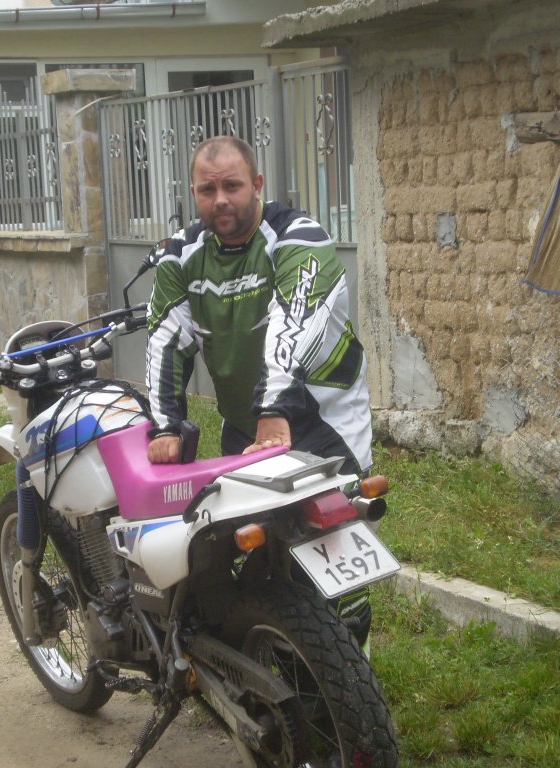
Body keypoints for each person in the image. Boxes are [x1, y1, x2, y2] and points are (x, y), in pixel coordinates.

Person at [143, 136, 374, 646]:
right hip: (246, 426)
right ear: (193, 193)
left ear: (258, 184)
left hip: (326, 417)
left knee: (337, 550)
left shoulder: (298, 236)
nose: (221, 199)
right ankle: (266, 655)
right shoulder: (181, 255)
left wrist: (275, 408)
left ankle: (355, 667)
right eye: (207, 190)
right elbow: (165, 340)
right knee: (249, 546)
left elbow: (294, 320)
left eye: (232, 186)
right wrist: (166, 426)